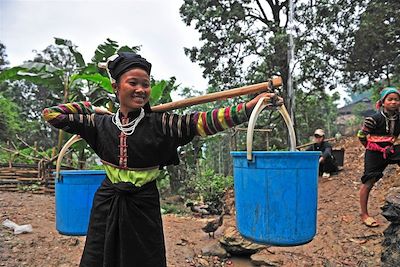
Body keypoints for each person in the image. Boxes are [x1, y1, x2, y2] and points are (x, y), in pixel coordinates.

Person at [42, 52, 282, 267]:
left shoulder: (162, 124)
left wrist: (250, 106)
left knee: (145, 259)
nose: (141, 90)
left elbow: (206, 121)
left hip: (143, 204)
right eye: (133, 83)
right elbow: (53, 114)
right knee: (101, 256)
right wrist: (93, 109)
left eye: (145, 84)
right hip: (108, 202)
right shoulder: (99, 125)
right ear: (116, 87)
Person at [357, 86, 400, 227]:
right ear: (382, 102)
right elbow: (361, 136)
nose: (393, 102)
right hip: (374, 152)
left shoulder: (399, 118)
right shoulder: (373, 119)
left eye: (396, 99)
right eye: (390, 99)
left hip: (390, 149)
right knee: (369, 182)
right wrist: (370, 148)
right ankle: (364, 214)